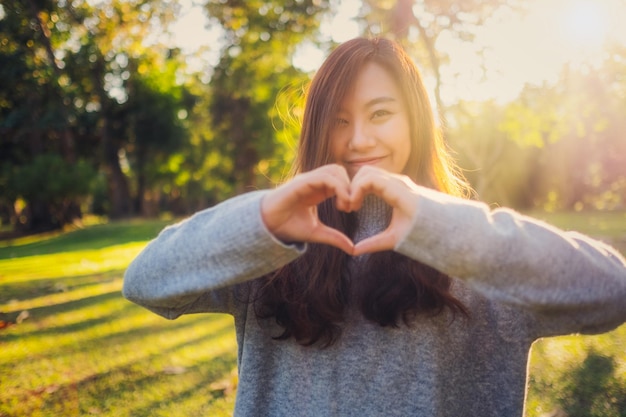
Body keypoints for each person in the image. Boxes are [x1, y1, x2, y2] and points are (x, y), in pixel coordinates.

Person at [123, 37, 626, 417]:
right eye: (338, 120)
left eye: (380, 113)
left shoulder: (473, 246)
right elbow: (145, 283)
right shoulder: (274, 242)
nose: (359, 139)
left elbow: (612, 292)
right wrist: (260, 222)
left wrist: (442, 227)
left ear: (416, 122)